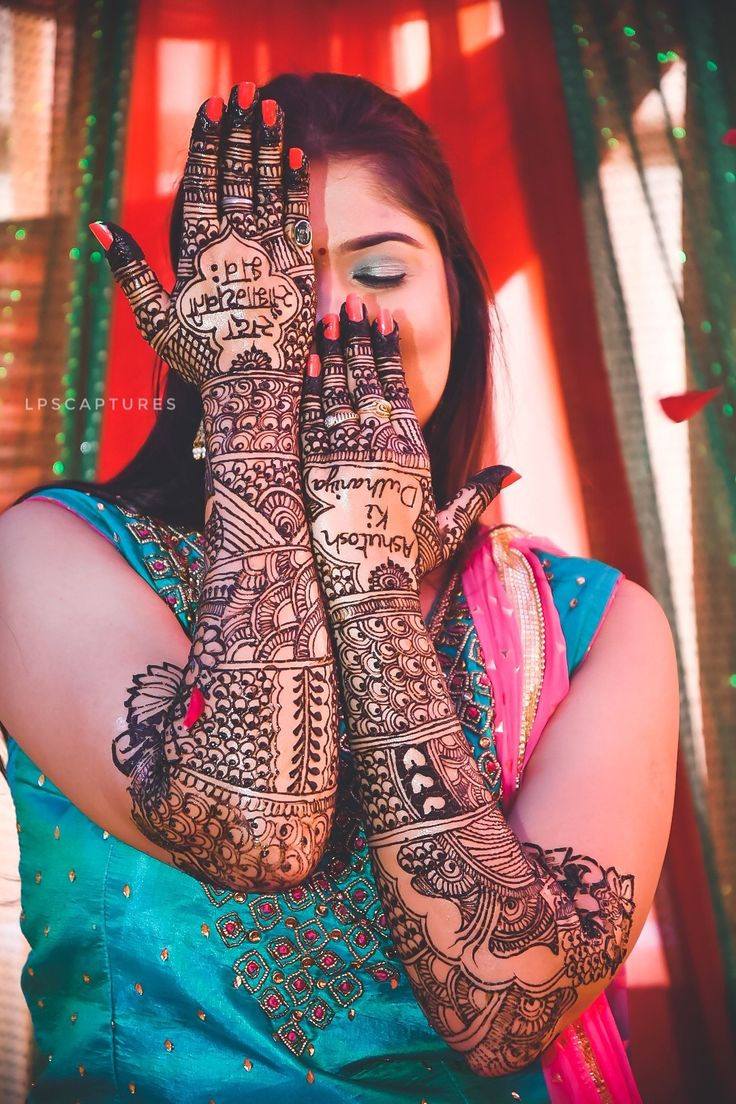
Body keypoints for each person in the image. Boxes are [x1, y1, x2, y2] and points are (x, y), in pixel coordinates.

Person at [0, 73, 678, 1103]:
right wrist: (256, 423)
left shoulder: (600, 626)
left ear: (455, 295)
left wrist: (370, 588)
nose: (325, 318)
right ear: (196, 319)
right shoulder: (49, 558)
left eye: (380, 269)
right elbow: (256, 830)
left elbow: (505, 1003)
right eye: (265, 283)